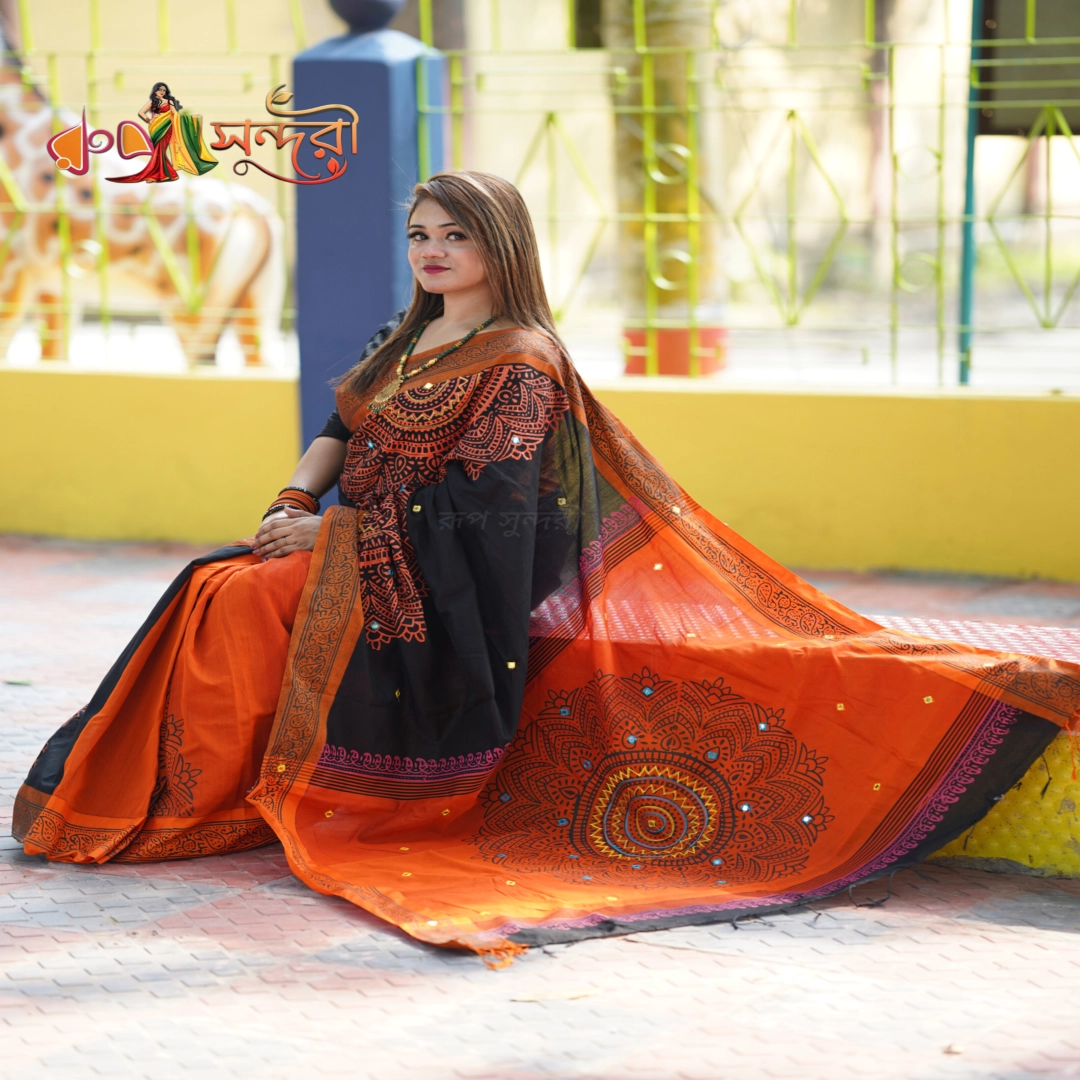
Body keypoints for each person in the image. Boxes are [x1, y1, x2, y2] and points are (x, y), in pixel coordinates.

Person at [14, 172, 1080, 963]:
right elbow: (340, 428)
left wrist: (340, 542)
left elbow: (493, 518)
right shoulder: (409, 338)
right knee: (220, 577)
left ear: (501, 245)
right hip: (364, 546)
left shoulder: (520, 358)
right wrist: (296, 499)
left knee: (238, 594)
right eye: (419, 234)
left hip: (446, 582)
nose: (431, 251)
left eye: (455, 235)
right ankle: (162, 799)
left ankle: (201, 804)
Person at [108, 82, 217, 184]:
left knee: (161, 151)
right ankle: (162, 174)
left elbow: (175, 114)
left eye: (164, 90)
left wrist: (189, 120)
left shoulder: (169, 102)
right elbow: (141, 112)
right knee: (158, 150)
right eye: (160, 89)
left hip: (167, 127)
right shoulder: (152, 102)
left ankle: (160, 174)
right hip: (156, 127)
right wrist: (149, 120)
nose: (162, 91)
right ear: (155, 91)